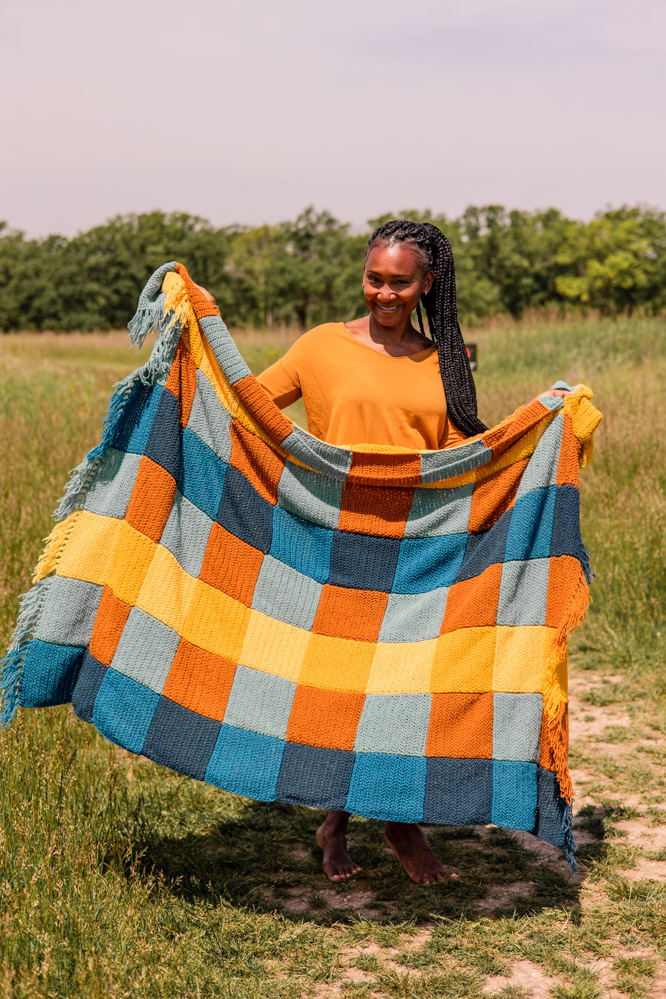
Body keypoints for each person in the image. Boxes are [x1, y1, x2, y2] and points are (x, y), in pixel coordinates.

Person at [197, 219, 570, 885]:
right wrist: (201, 333)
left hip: (413, 549)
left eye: (401, 281)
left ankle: (381, 821)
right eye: (375, 278)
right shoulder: (319, 347)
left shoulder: (445, 362)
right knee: (343, 687)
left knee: (401, 687)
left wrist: (541, 420)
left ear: (428, 283)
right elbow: (250, 404)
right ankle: (354, 824)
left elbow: (464, 457)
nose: (386, 292)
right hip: (331, 539)